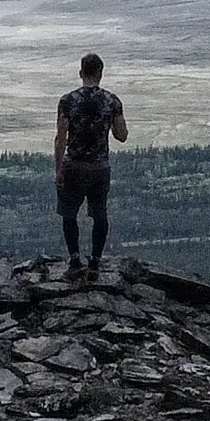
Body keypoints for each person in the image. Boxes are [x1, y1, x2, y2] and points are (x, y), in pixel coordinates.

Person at [52, 52, 127, 272]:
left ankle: (75, 259)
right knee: (100, 214)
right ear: (100, 73)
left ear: (81, 73)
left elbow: (61, 138)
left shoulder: (67, 101)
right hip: (99, 167)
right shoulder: (112, 101)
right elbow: (122, 135)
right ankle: (95, 260)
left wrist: (58, 169)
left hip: (74, 165)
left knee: (69, 213)